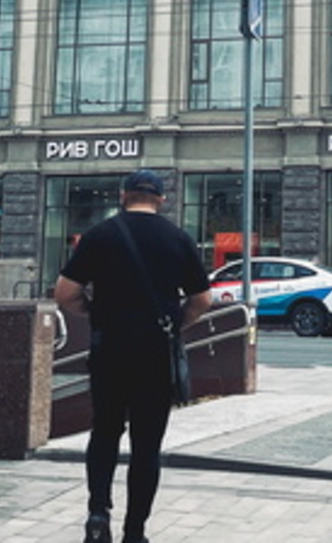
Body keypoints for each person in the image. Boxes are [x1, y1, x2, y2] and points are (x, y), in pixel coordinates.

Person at [55, 170, 210, 543]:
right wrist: (176, 323)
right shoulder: (178, 238)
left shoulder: (100, 235)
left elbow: (65, 293)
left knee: (105, 432)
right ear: (161, 199)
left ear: (123, 195)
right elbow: (202, 299)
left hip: (109, 349)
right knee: (147, 445)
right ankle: (135, 531)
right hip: (156, 353)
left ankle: (97, 515)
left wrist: (95, 313)